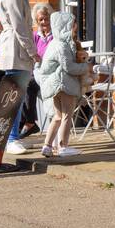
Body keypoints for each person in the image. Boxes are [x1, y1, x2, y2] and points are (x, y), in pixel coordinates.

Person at [0, 0, 38, 155]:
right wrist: (33, 51)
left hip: (18, 49)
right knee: (13, 97)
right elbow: (20, 27)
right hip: (15, 49)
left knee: (17, 96)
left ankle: (13, 137)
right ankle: (10, 139)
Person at [38, 11, 90, 159]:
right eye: (72, 24)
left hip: (56, 85)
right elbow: (69, 68)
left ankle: (47, 146)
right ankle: (63, 146)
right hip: (63, 84)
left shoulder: (56, 43)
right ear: (65, 26)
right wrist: (86, 67)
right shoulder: (61, 46)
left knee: (58, 116)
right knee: (67, 115)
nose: (75, 27)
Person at [17, 2, 53, 138]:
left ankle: (29, 123)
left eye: (46, 18)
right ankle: (24, 123)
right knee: (18, 84)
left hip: (50, 76)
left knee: (28, 84)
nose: (44, 22)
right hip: (36, 74)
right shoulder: (34, 36)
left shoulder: (55, 37)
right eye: (40, 20)